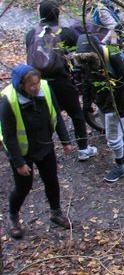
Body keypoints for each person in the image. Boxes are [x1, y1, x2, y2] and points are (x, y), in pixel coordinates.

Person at [0, 65, 74, 239]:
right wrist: (19, 163)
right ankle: (13, 217)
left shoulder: (45, 88)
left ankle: (56, 212)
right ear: (21, 85)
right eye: (31, 85)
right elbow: (8, 136)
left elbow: (56, 115)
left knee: (51, 179)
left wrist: (65, 141)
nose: (36, 87)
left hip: (44, 145)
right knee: (23, 187)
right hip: (22, 151)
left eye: (37, 83)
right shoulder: (8, 101)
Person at [25, 0, 97, 161]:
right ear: (58, 13)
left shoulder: (30, 34)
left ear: (40, 14)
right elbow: (80, 51)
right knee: (76, 113)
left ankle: (43, 152)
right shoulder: (66, 33)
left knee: (47, 116)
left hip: (38, 83)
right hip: (61, 81)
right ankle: (83, 149)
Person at [74, 35, 124, 183]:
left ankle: (120, 166)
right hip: (102, 101)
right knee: (115, 129)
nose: (86, 62)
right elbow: (86, 81)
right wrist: (86, 103)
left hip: (115, 101)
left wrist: (122, 106)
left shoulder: (111, 55)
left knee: (112, 137)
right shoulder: (85, 60)